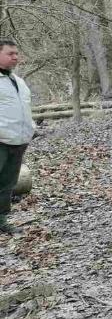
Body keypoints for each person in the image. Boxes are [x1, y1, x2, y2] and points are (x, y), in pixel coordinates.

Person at [0, 39, 34, 235]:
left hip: (19, 141)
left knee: (7, 184)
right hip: (1, 141)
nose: (15, 57)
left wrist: (31, 128)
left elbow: (24, 108)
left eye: (16, 53)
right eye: (10, 53)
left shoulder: (18, 81)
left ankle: (2, 219)